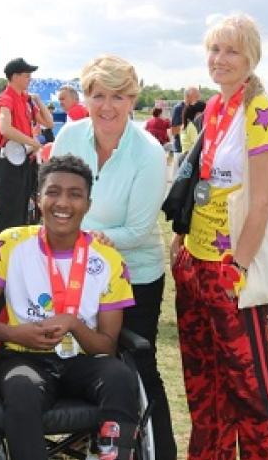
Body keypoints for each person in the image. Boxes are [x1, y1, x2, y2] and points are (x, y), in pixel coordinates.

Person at [169, 15, 268, 460]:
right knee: (204, 385)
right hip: (195, 264)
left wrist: (237, 266)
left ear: (251, 57)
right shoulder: (214, 110)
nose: (219, 60)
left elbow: (262, 201)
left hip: (232, 271)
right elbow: (202, 185)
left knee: (250, 391)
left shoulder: (261, 112)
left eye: (231, 50)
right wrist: (183, 241)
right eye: (214, 50)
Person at [0, 155, 140, 460]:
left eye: (75, 194)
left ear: (88, 204)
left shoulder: (109, 260)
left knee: (120, 377)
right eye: (53, 192)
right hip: (23, 358)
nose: (63, 202)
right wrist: (15, 333)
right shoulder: (10, 244)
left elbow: (107, 345)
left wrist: (73, 323)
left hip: (82, 361)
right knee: (21, 388)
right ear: (38, 199)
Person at [52, 55, 176, 460]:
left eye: (118, 96)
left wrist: (86, 237)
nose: (107, 106)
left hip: (134, 275)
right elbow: (54, 197)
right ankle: (101, 442)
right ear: (85, 97)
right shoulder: (69, 136)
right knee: (84, 363)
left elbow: (138, 230)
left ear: (133, 99)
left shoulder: (149, 152)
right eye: (98, 95)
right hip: (75, 274)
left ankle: (163, 453)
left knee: (139, 366)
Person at [0, 57, 53, 233]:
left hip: (25, 161)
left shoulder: (25, 100)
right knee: (9, 215)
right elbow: (4, 128)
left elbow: (48, 123)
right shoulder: (6, 99)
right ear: (15, 76)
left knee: (23, 211)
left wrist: (39, 101)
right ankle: (3, 255)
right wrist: (31, 142)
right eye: (27, 75)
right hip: (10, 162)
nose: (30, 79)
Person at [170, 86, 200, 154]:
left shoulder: (198, 109)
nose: (199, 99)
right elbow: (174, 131)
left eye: (198, 96)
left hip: (194, 151)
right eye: (196, 96)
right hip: (180, 150)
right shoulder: (178, 108)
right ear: (187, 96)